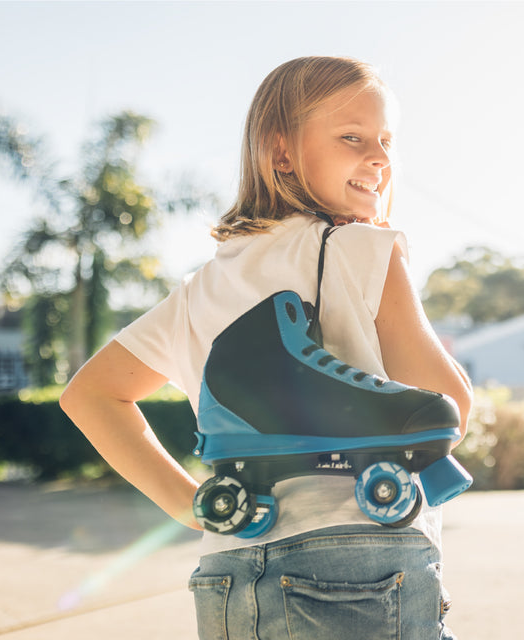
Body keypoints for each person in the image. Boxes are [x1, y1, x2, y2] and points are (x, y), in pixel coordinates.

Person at [60, 56, 472, 639]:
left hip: (228, 566)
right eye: (352, 138)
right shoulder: (363, 249)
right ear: (280, 152)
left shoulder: (203, 286)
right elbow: (446, 405)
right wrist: (390, 258)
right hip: (358, 559)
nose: (378, 158)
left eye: (386, 141)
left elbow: (90, 395)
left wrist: (189, 504)